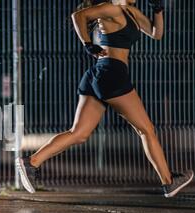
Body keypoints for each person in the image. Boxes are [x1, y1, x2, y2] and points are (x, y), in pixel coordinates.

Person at [15, 0, 194, 198]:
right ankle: (168, 182)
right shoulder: (112, 9)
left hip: (99, 74)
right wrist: (88, 44)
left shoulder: (131, 12)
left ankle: (31, 162)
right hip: (112, 73)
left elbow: (156, 34)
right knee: (146, 130)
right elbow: (79, 16)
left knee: (79, 133)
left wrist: (158, 10)